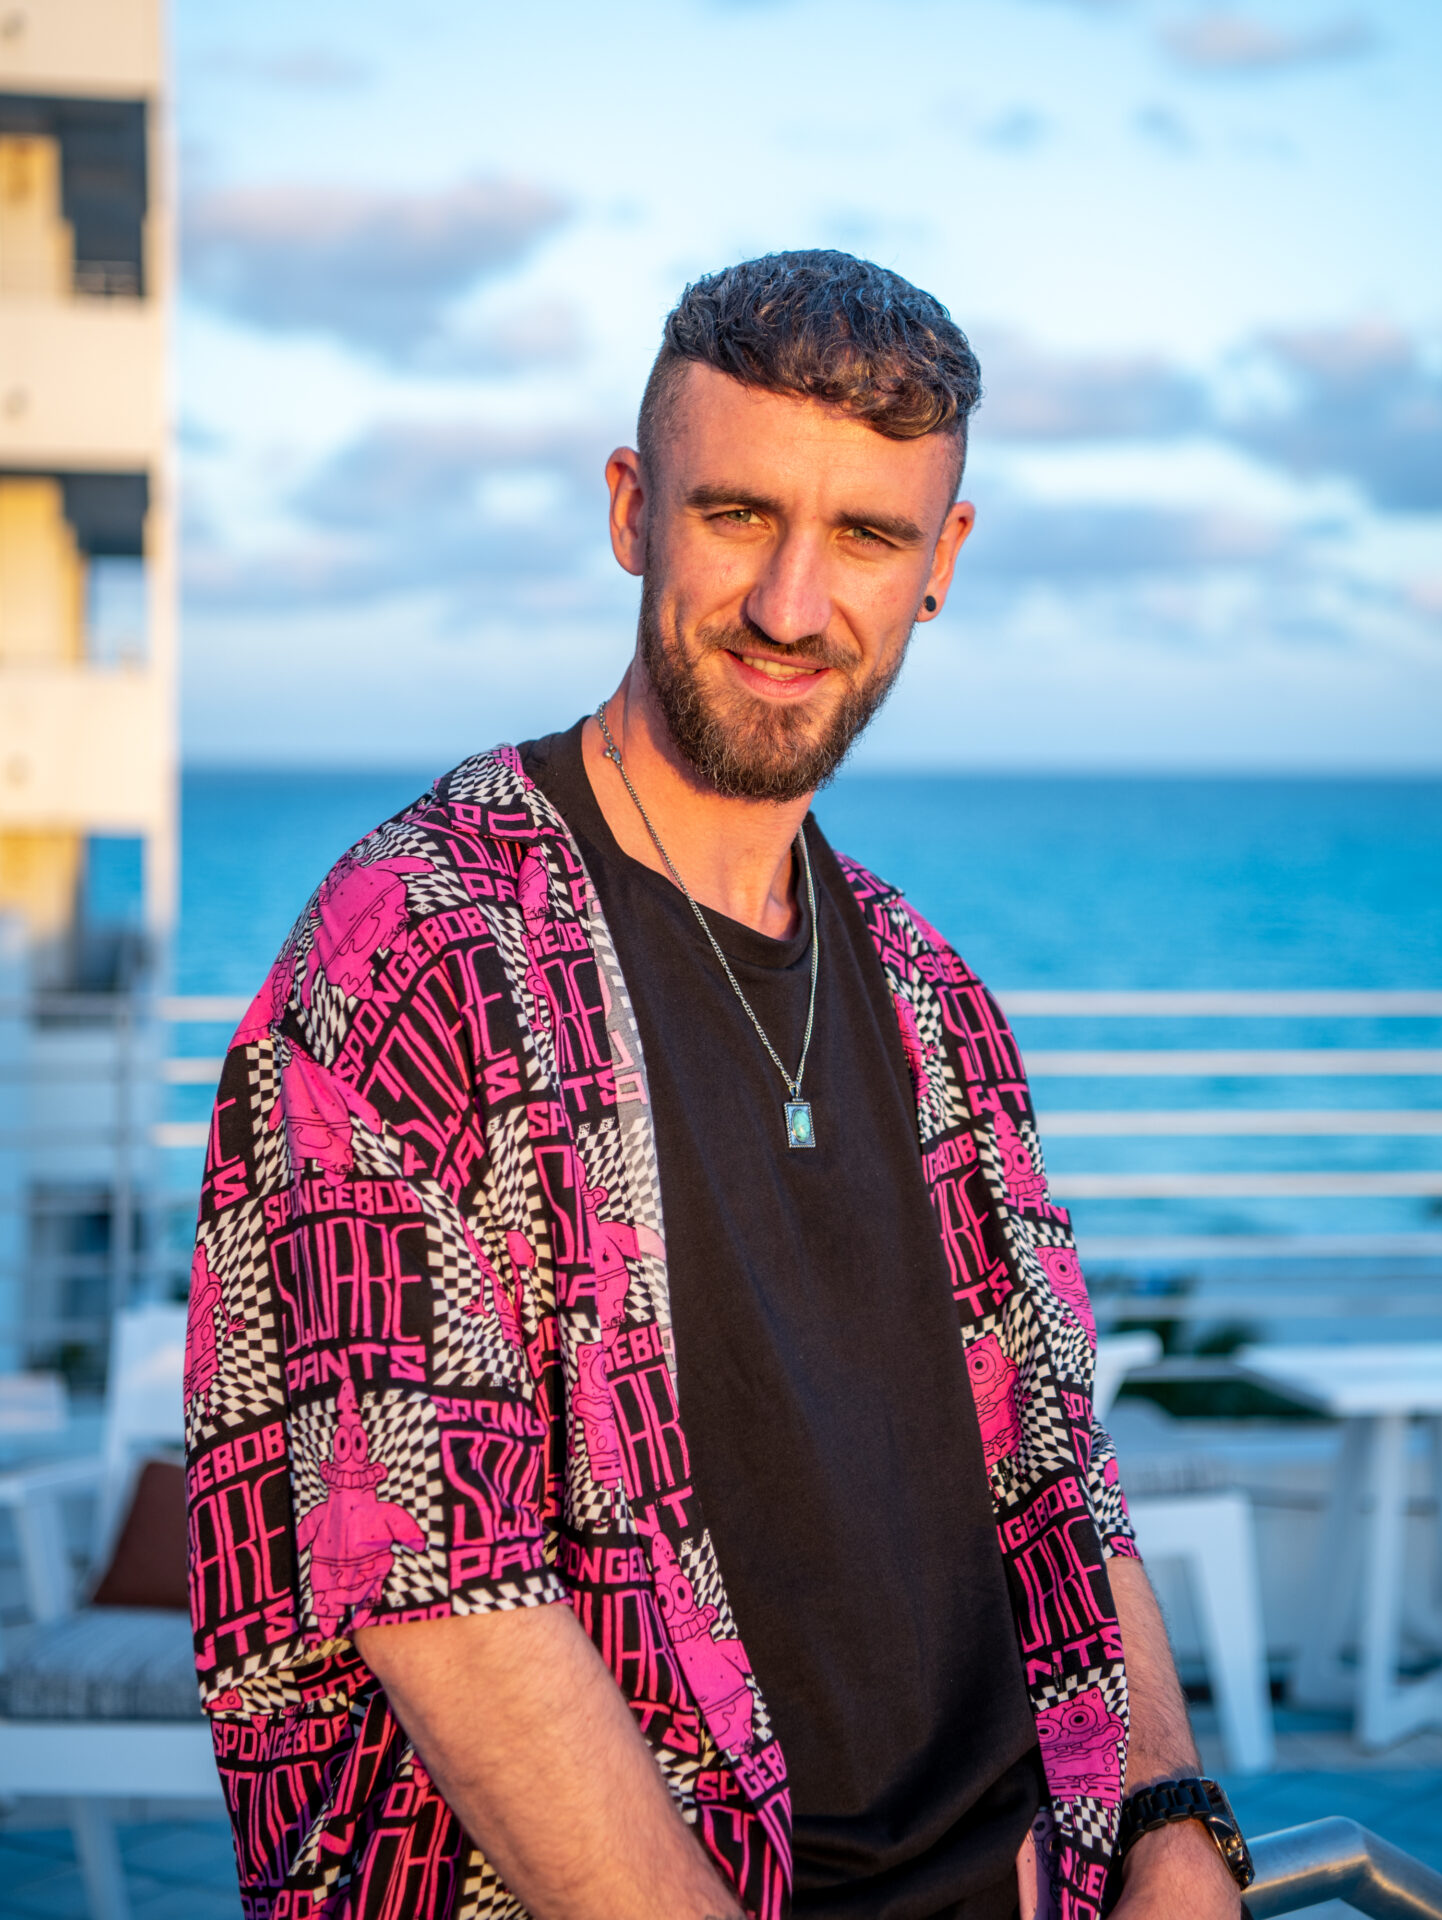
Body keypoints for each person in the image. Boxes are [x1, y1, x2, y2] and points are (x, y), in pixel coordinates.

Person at [184, 251, 1252, 1920]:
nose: (791, 607)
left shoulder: (931, 998)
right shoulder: (418, 954)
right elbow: (436, 1591)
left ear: (943, 565)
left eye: (870, 538)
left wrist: (1177, 1813)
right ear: (631, 508)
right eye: (739, 515)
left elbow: (1055, 1468)